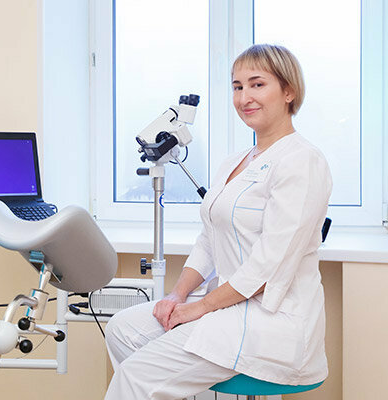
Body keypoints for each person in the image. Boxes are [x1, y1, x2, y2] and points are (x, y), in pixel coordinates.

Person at [104, 44, 332, 400]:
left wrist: (200, 307)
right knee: (122, 328)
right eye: (237, 86)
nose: (244, 97)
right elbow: (209, 240)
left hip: (271, 319)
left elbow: (268, 267)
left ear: (289, 91)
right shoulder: (235, 162)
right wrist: (178, 295)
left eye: (257, 84)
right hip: (229, 305)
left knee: (137, 377)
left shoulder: (302, 161)